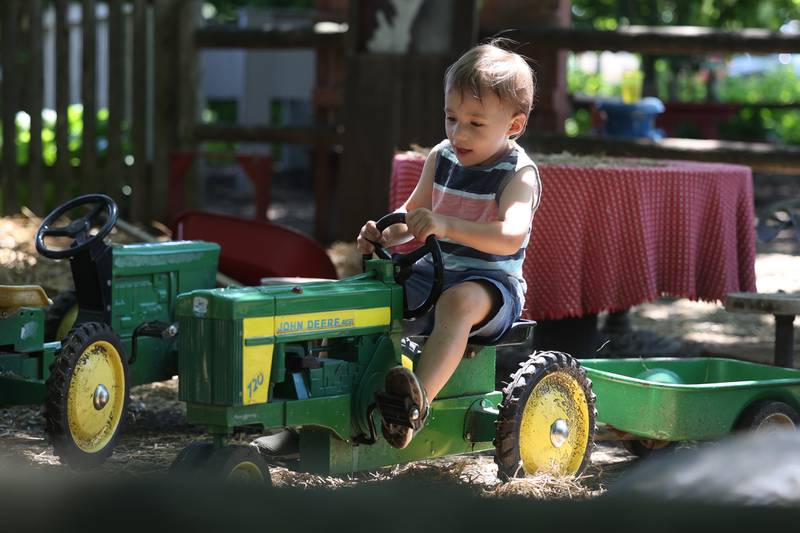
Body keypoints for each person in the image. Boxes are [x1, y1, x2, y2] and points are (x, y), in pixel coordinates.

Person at [356, 40, 542, 449]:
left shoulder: (518, 173)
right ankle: (353, 393)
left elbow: (511, 234)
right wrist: (383, 234)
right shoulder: (442, 157)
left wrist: (448, 225)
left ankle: (413, 405)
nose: (459, 133)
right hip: (432, 274)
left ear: (513, 125)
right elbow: (412, 217)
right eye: (451, 118)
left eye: (475, 124)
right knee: (371, 298)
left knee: (456, 303)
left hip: (490, 286)